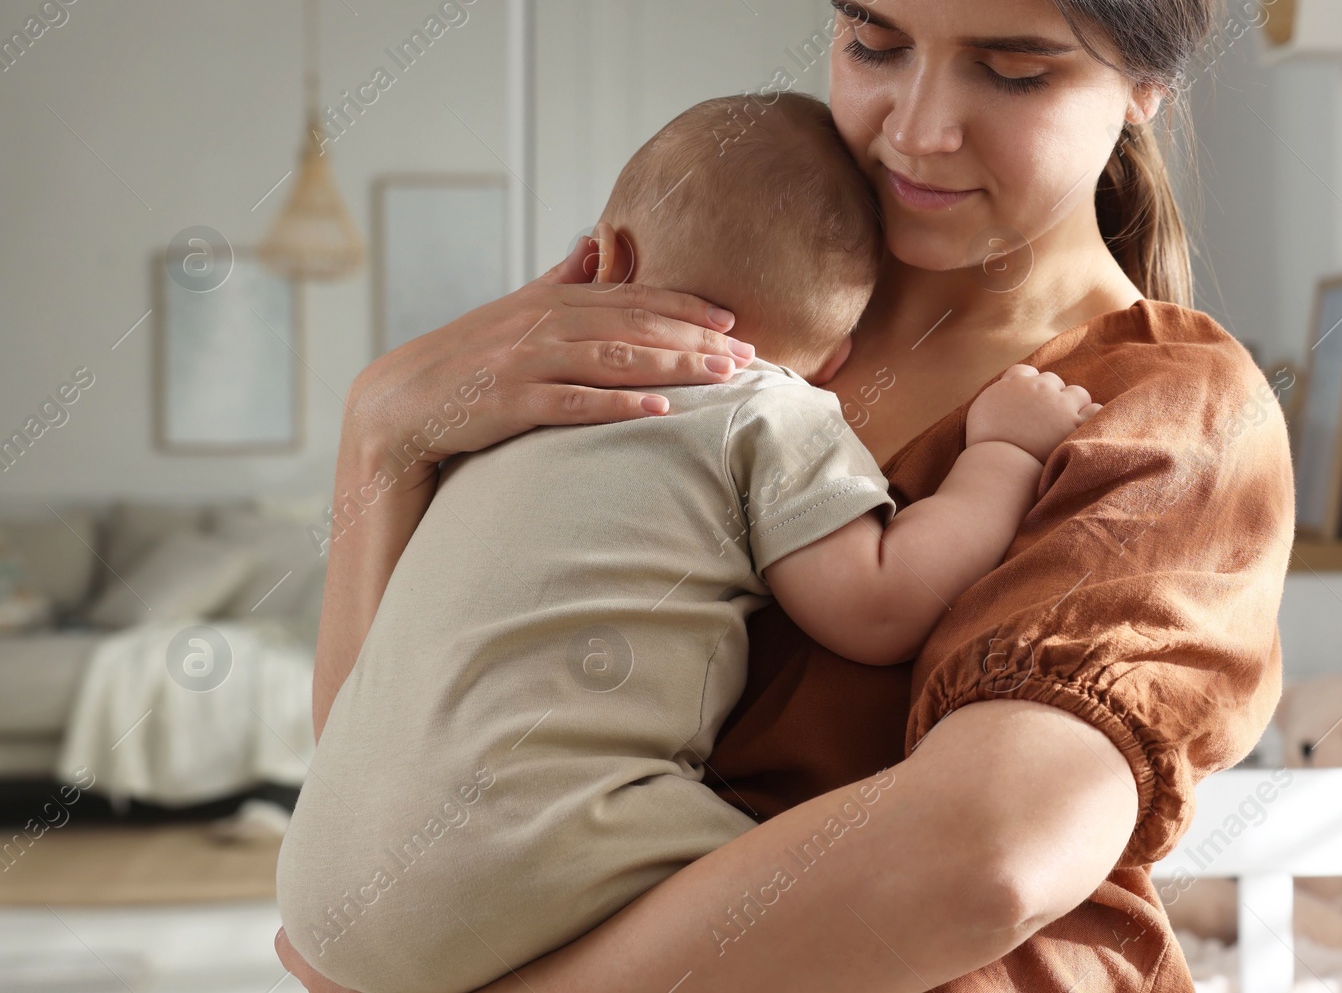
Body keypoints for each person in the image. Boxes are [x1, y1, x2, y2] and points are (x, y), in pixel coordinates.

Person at [275, 0, 1294, 989]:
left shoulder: (1168, 413)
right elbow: (391, 764)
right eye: (872, 44)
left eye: (1010, 71)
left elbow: (990, 857)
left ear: (1147, 81)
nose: (919, 130)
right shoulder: (680, 310)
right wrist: (384, 432)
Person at [274, 91, 1102, 993]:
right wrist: (1002, 454)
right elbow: (878, 604)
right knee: (804, 897)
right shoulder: (764, 406)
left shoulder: (499, 411)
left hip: (321, 887)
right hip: (516, 858)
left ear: (610, 259)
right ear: (833, 358)